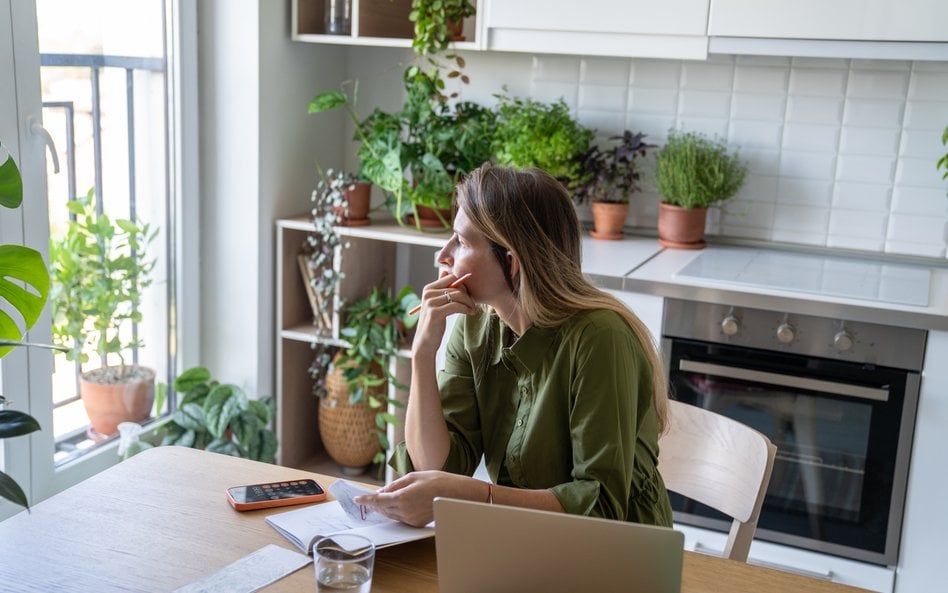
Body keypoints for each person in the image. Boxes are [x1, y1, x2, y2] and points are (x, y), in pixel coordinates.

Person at [354, 163, 673, 528]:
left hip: (620, 554)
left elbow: (600, 506)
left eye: (461, 241)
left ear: (511, 262)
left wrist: (471, 495)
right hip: (522, 537)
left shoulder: (601, 339)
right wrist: (423, 355)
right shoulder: (475, 325)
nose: (442, 256)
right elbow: (436, 469)